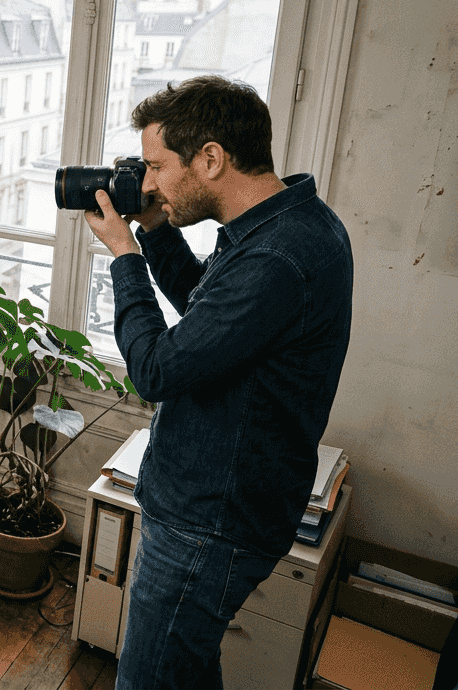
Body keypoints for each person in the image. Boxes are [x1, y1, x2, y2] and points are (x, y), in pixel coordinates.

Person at [83, 76, 353, 690]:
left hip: (208, 523)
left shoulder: (276, 259)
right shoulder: (285, 228)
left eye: (156, 166)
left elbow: (158, 369)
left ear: (211, 158)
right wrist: (153, 228)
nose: (146, 182)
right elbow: (207, 318)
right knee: (188, 667)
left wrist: (124, 257)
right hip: (219, 509)